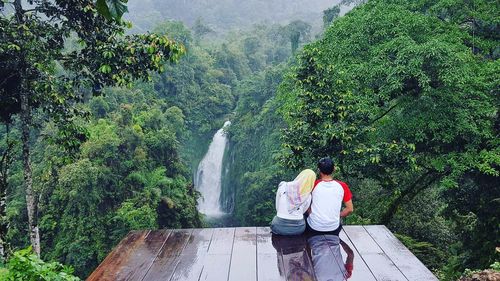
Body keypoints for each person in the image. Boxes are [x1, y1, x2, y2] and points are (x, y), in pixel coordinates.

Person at [306, 157, 353, 235]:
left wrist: (310, 212)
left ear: (319, 170)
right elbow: (350, 209)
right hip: (333, 228)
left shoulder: (313, 185)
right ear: (334, 169)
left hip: (314, 227)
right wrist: (337, 215)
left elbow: (304, 202)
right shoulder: (342, 186)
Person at [270, 169, 316, 235]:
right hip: (298, 229)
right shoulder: (308, 196)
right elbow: (303, 212)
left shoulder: (284, 186)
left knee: (276, 218)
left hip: (278, 226)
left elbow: (277, 207)